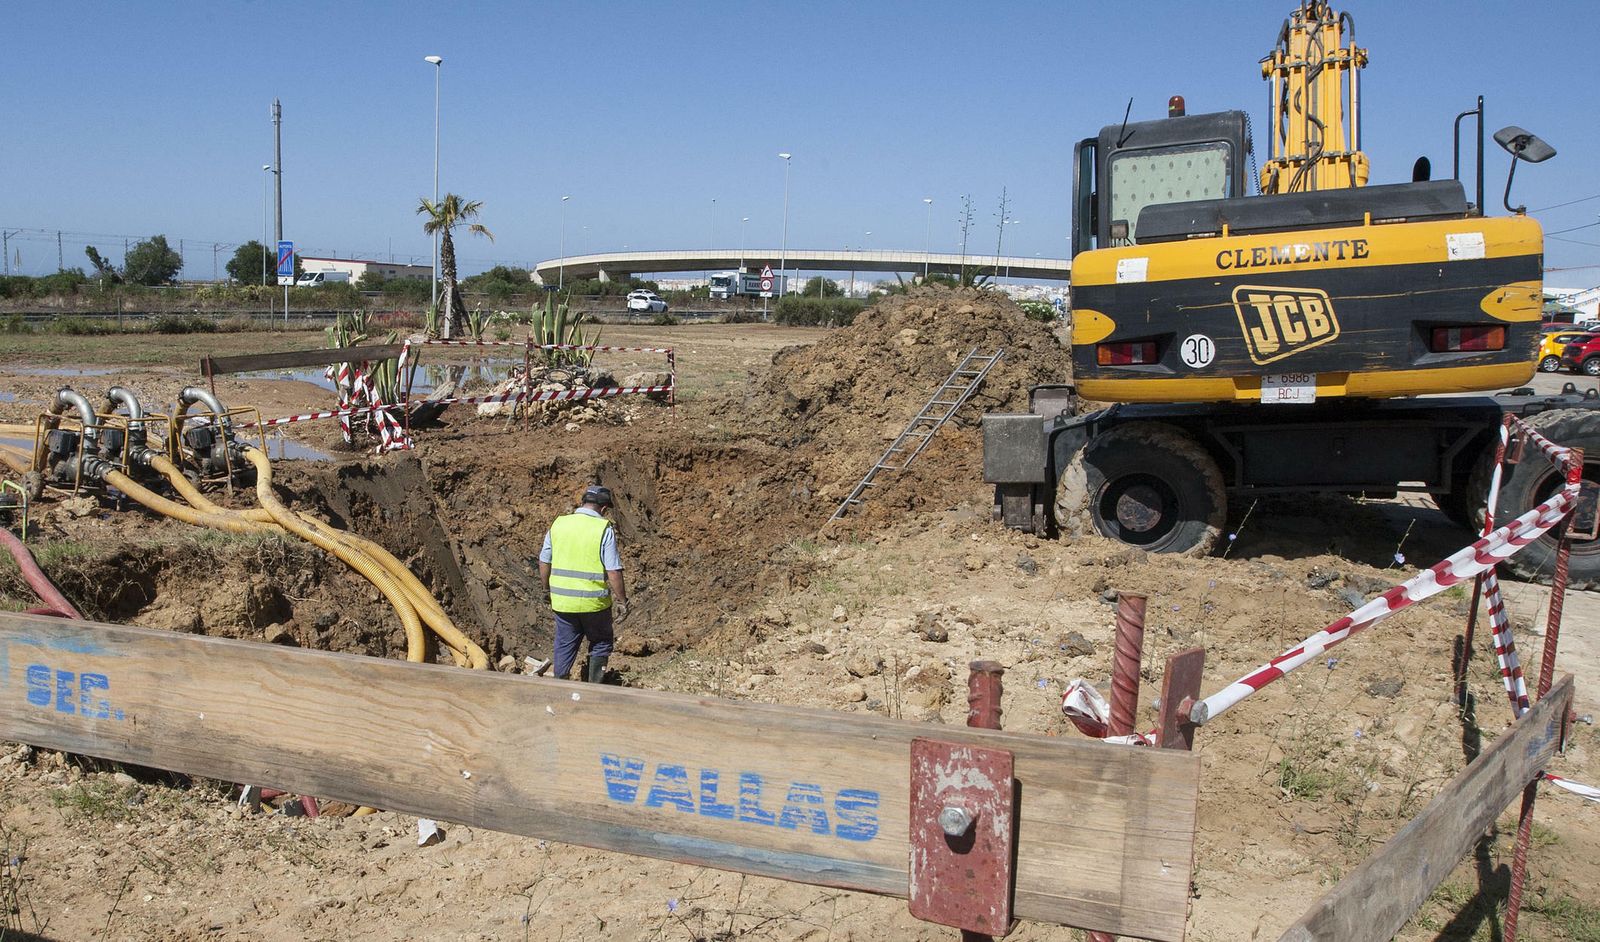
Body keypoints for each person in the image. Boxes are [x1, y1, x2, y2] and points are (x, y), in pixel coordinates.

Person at [538, 484, 628, 682]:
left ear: (583, 502)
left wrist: (546, 590)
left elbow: (544, 561)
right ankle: (595, 686)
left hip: (563, 602)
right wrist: (622, 600)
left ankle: (560, 682)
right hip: (594, 605)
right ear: (604, 509)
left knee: (564, 643)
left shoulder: (559, 524)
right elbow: (613, 570)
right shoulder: (603, 528)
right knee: (601, 642)